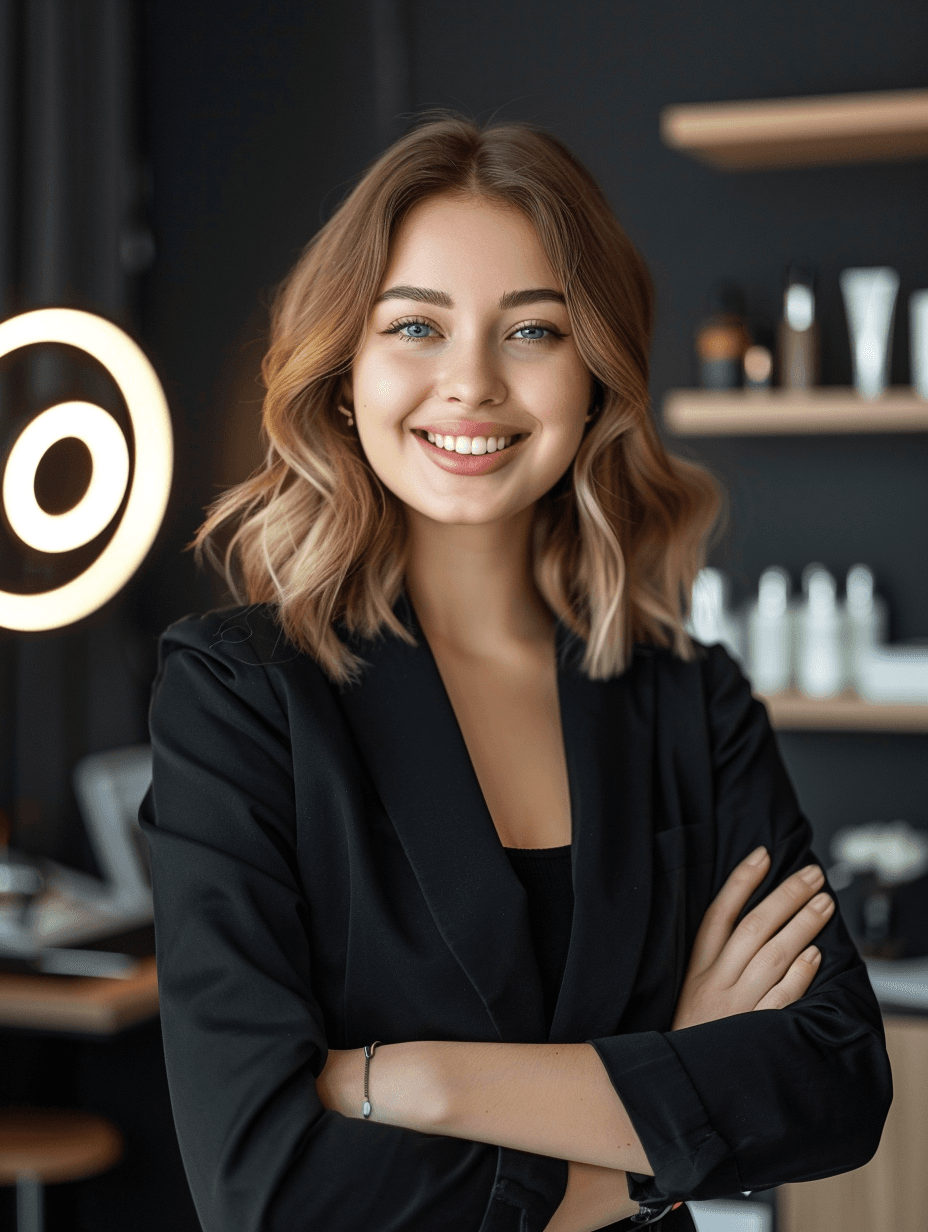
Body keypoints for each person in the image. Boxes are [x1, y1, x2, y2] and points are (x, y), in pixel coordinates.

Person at [139, 116, 892, 1232]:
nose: (472, 383)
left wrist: (410, 1080)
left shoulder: (690, 695)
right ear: (346, 371)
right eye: (416, 326)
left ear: (594, 375)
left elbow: (834, 1080)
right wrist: (659, 1117)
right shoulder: (239, 697)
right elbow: (269, 1187)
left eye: (531, 329)